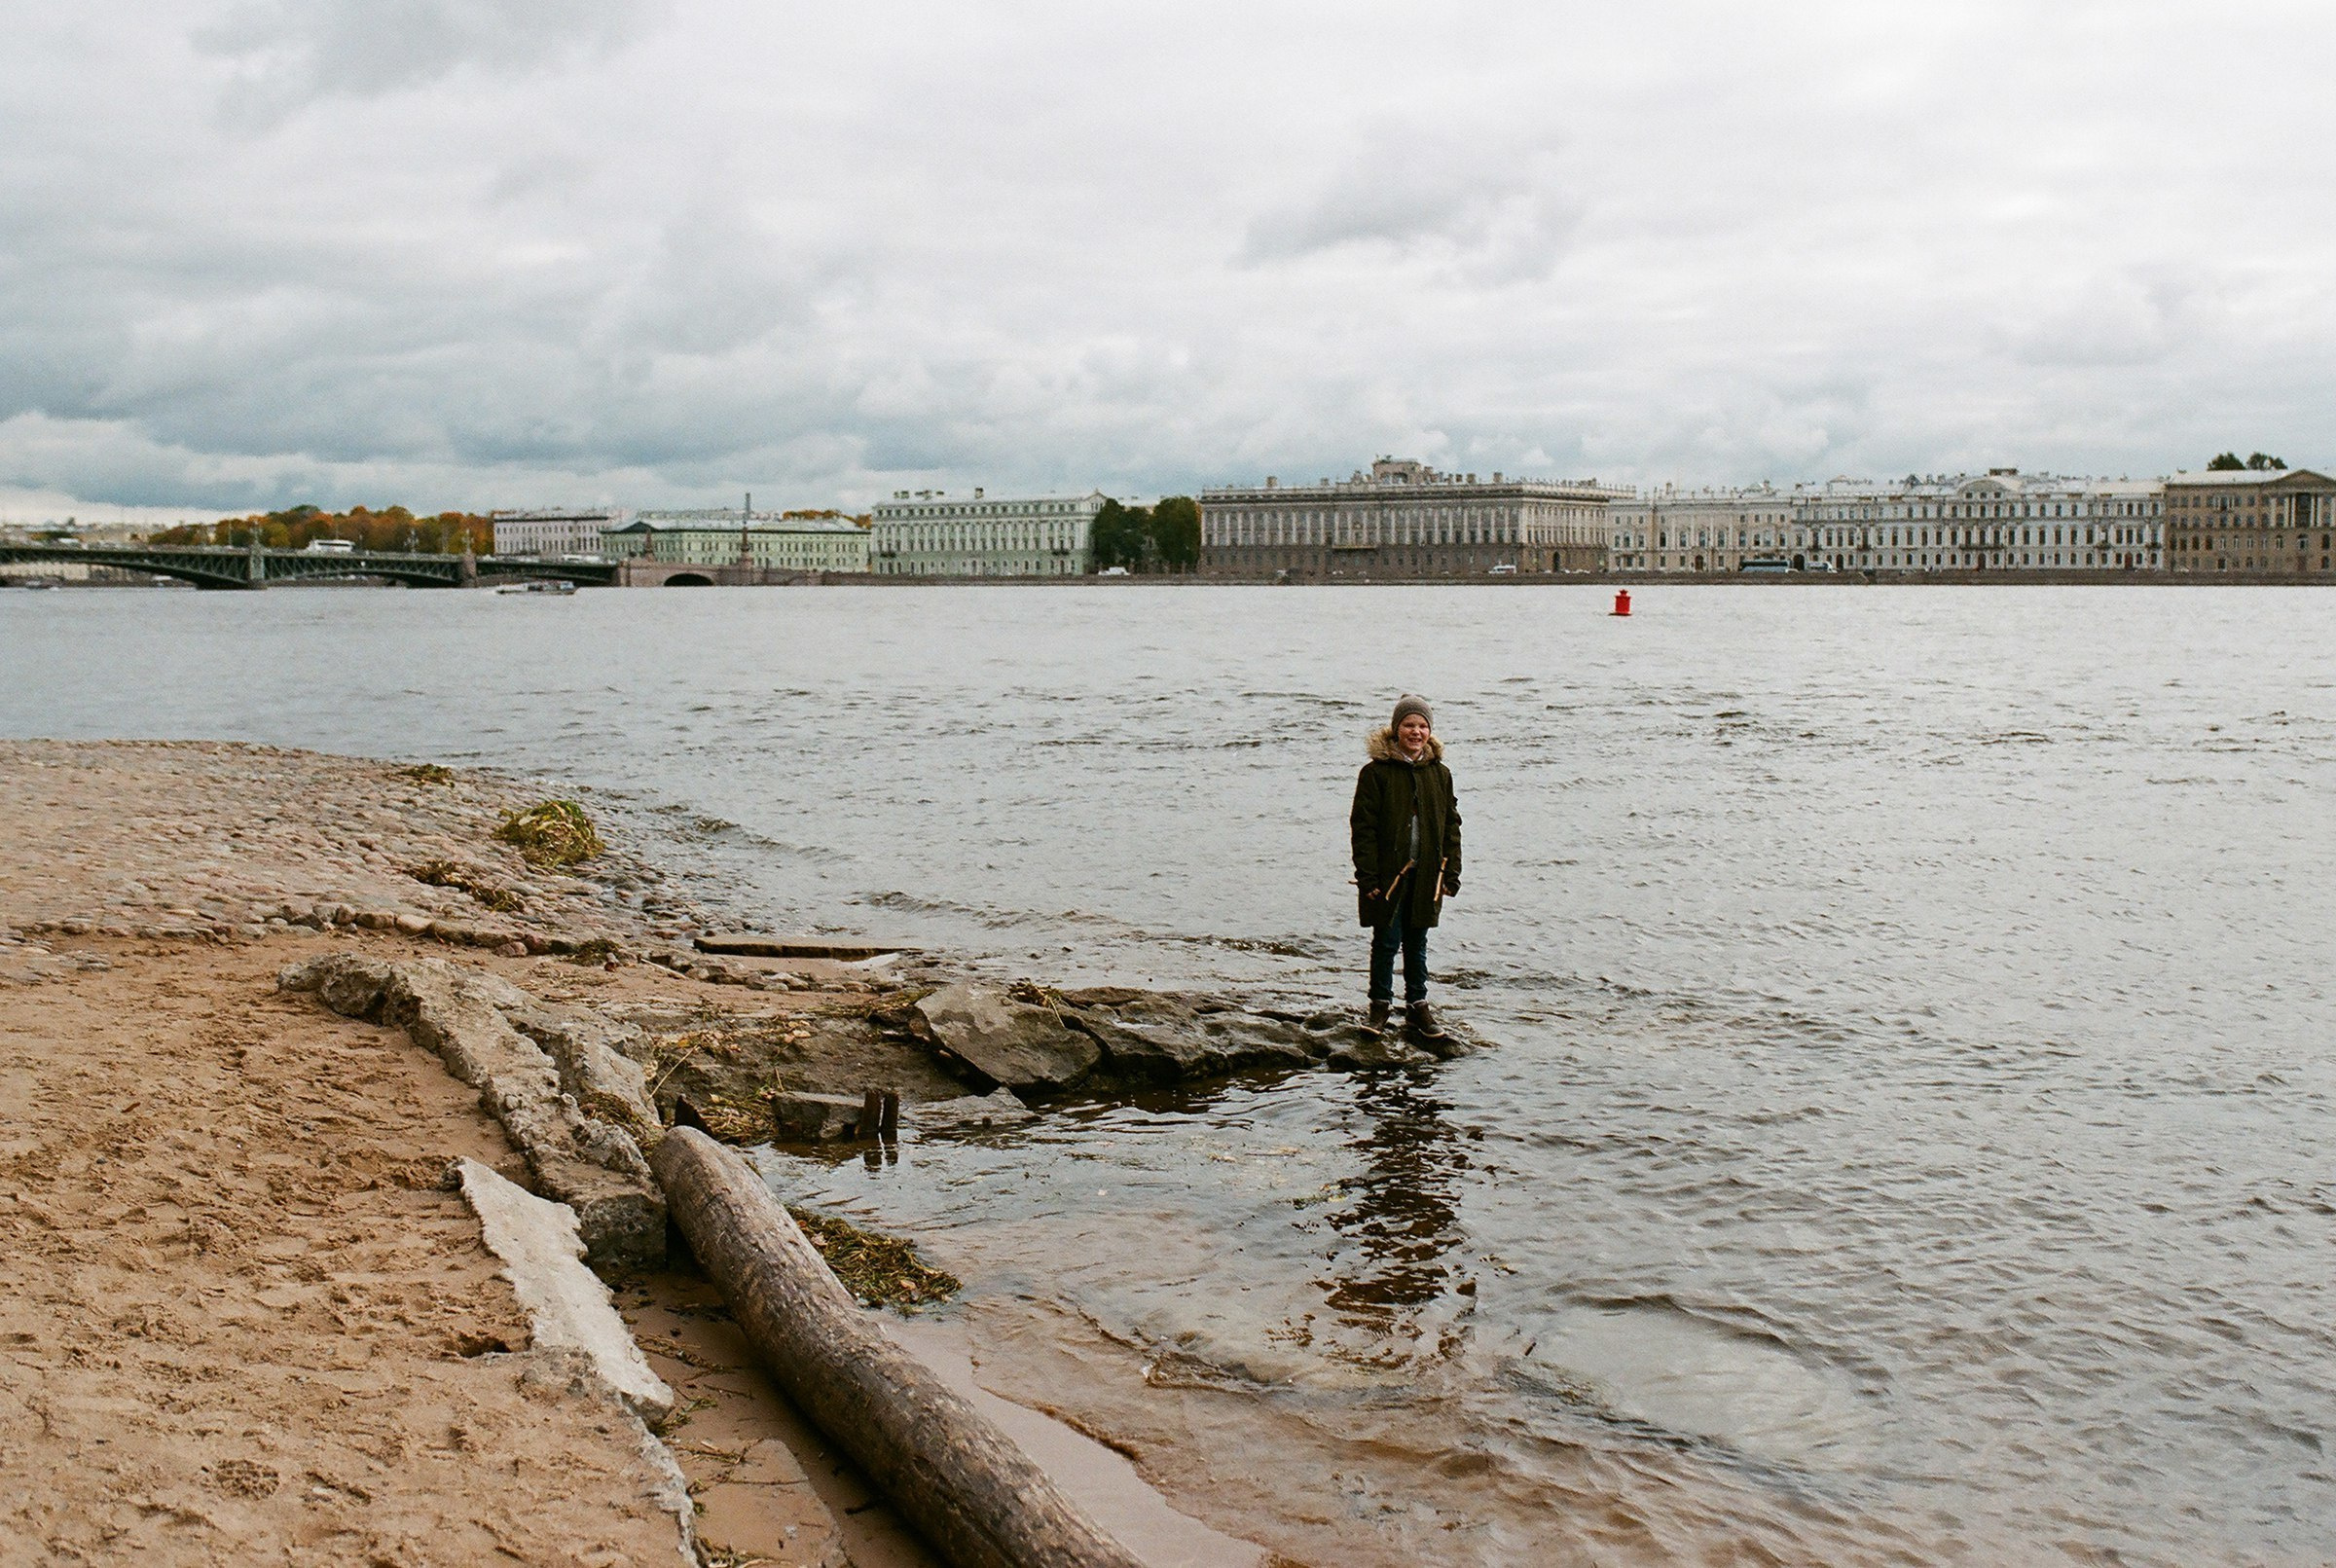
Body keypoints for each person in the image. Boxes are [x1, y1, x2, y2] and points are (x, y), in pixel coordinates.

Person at [1349, 694, 1461, 1038]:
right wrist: (1367, 877)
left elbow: (1451, 826)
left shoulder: (1439, 774)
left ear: (1430, 731)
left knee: (1417, 942)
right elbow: (1363, 828)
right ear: (1396, 728)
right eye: (1409, 725)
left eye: (1423, 726)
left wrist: (1452, 873)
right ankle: (1379, 1007)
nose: (1416, 732)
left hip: (1428, 874)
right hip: (1387, 876)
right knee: (1386, 941)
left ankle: (1417, 1007)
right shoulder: (1375, 773)